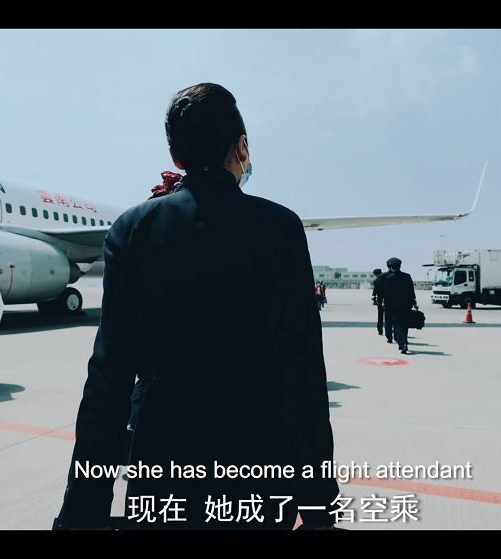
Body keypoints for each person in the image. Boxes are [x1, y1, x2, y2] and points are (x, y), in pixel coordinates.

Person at [52, 83, 339, 530]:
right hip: (259, 462)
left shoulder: (133, 228)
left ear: (176, 156)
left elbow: (109, 379)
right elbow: (302, 369)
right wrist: (319, 502)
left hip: (163, 459)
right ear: (241, 147)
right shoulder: (279, 227)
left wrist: (82, 511)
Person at [381, 257, 417, 354]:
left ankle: (403, 343)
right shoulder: (407, 276)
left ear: (391, 267)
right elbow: (411, 290)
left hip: (395, 306)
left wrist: (385, 303)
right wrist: (414, 302)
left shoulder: (389, 278)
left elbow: (387, 293)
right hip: (407, 304)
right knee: (405, 324)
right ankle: (404, 341)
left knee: (399, 324)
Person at [371, 269, 386, 336]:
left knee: (380, 316)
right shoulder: (387, 278)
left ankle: (380, 330)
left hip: (380, 300)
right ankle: (390, 329)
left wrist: (373, 299)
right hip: (389, 299)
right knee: (389, 316)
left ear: (375, 275)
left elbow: (375, 291)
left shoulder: (376, 281)